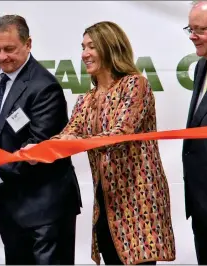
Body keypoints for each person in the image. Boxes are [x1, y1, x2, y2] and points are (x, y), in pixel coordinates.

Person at [25, 21, 176, 265]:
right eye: (83, 47)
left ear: (110, 48)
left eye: (91, 47)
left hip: (139, 206)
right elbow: (68, 133)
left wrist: (75, 141)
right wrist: (40, 150)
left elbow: (120, 133)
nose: (84, 54)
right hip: (107, 206)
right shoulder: (87, 99)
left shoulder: (135, 85)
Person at [0, 14, 82, 265]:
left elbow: (38, 146)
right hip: (10, 205)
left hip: (46, 208)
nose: (2, 57)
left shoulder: (45, 87)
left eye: (9, 49)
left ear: (28, 44)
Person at [182, 1, 207, 264]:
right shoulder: (201, 67)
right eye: (190, 29)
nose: (193, 36)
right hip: (202, 206)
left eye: (200, 29)